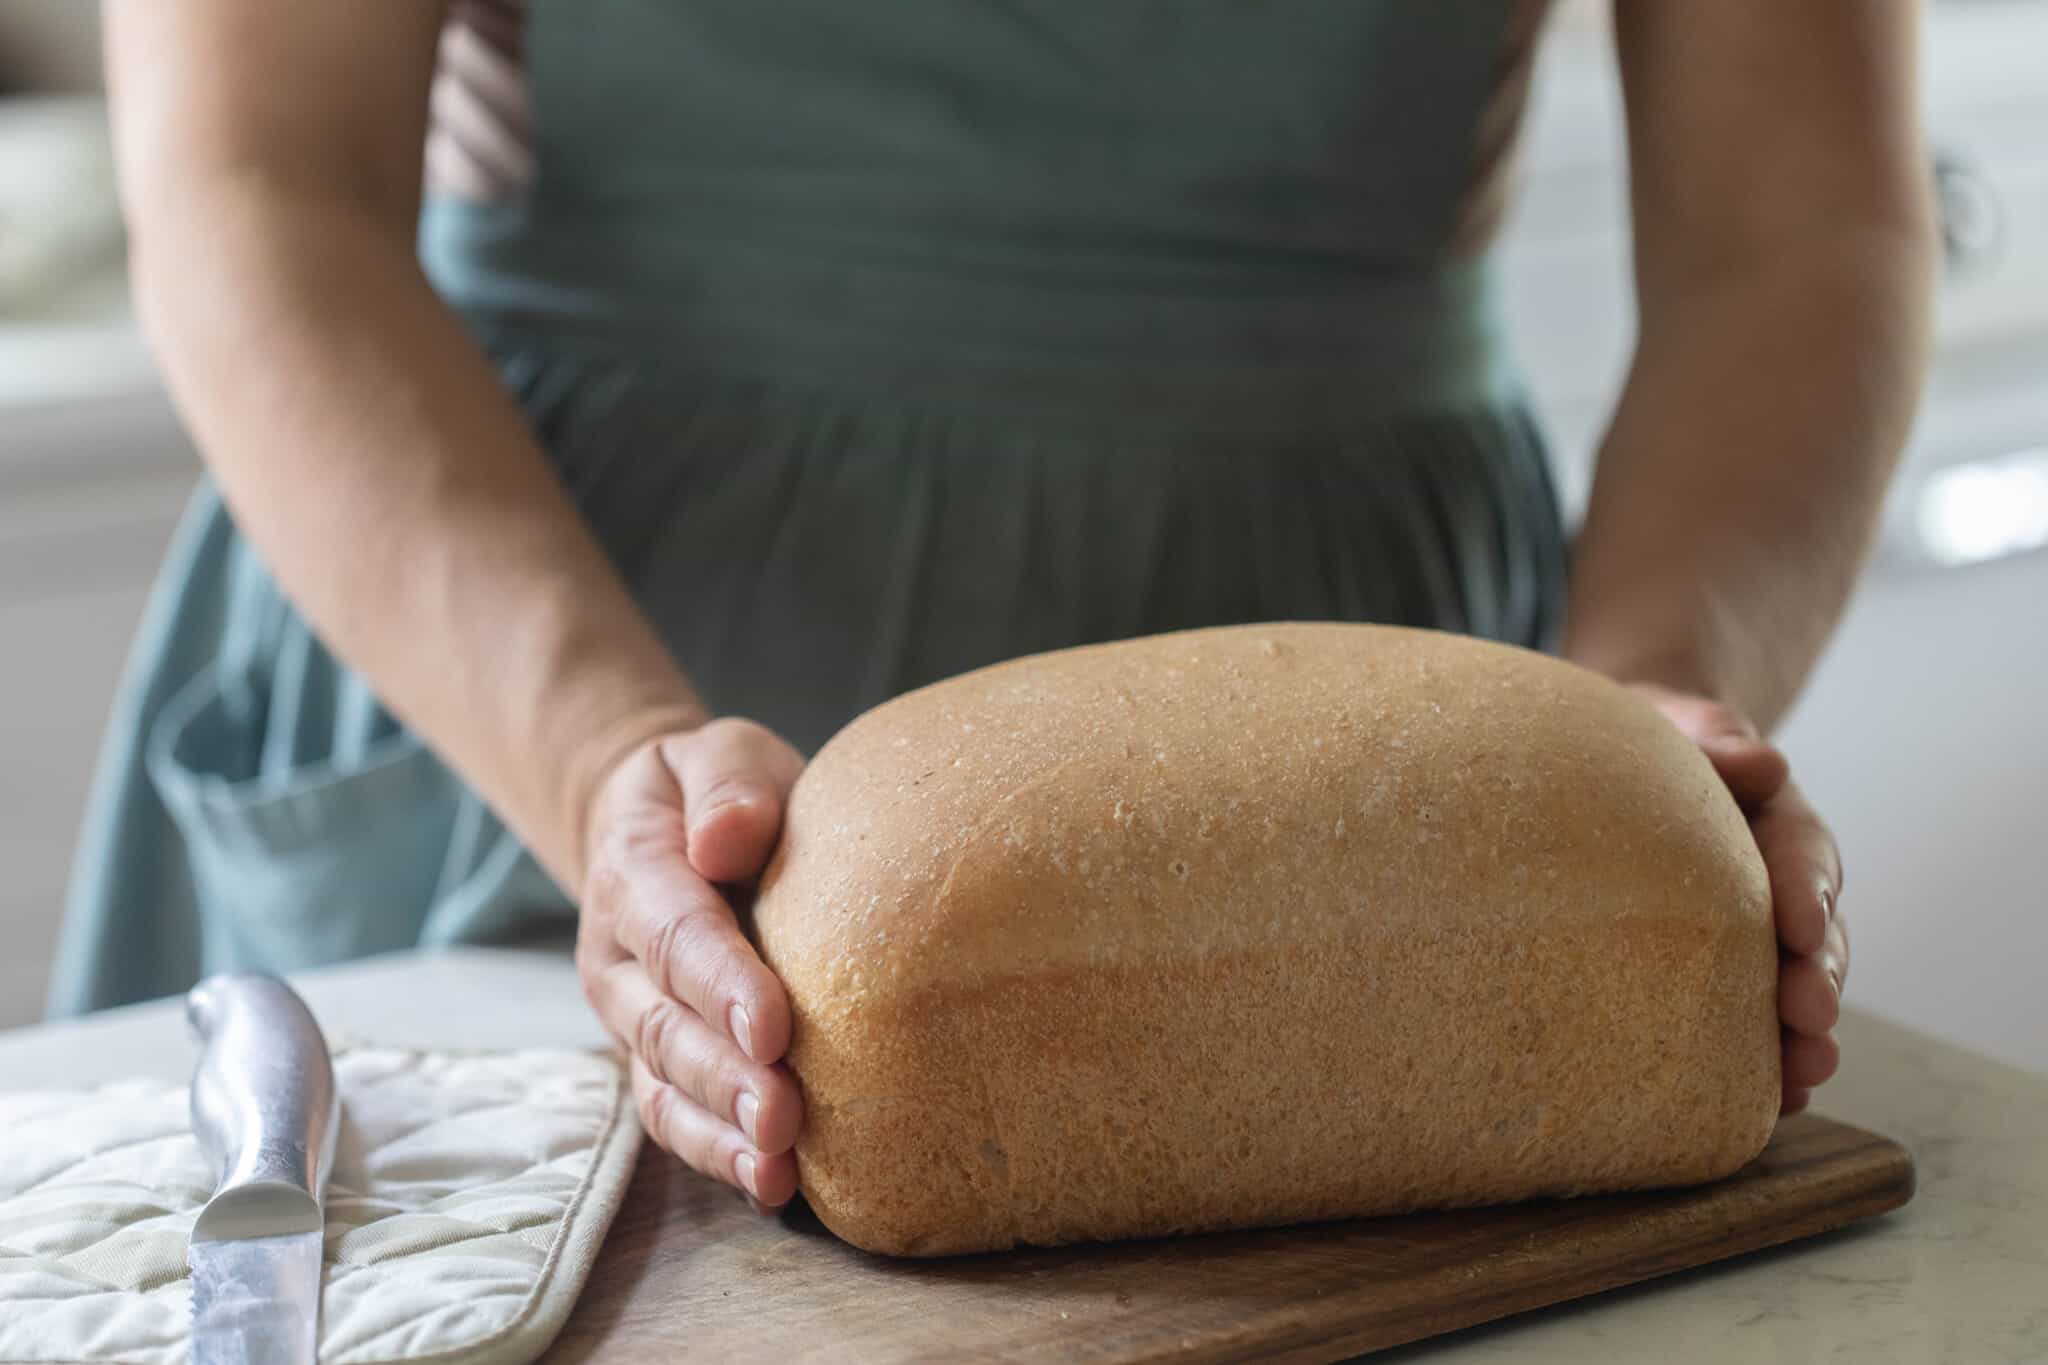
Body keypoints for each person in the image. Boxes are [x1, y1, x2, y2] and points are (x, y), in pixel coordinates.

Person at [52, 0, 1931, 1212]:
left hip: (1353, 704)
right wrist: (599, 748)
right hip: (527, 646)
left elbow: (1799, 232)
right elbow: (256, 182)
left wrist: (1647, 713)